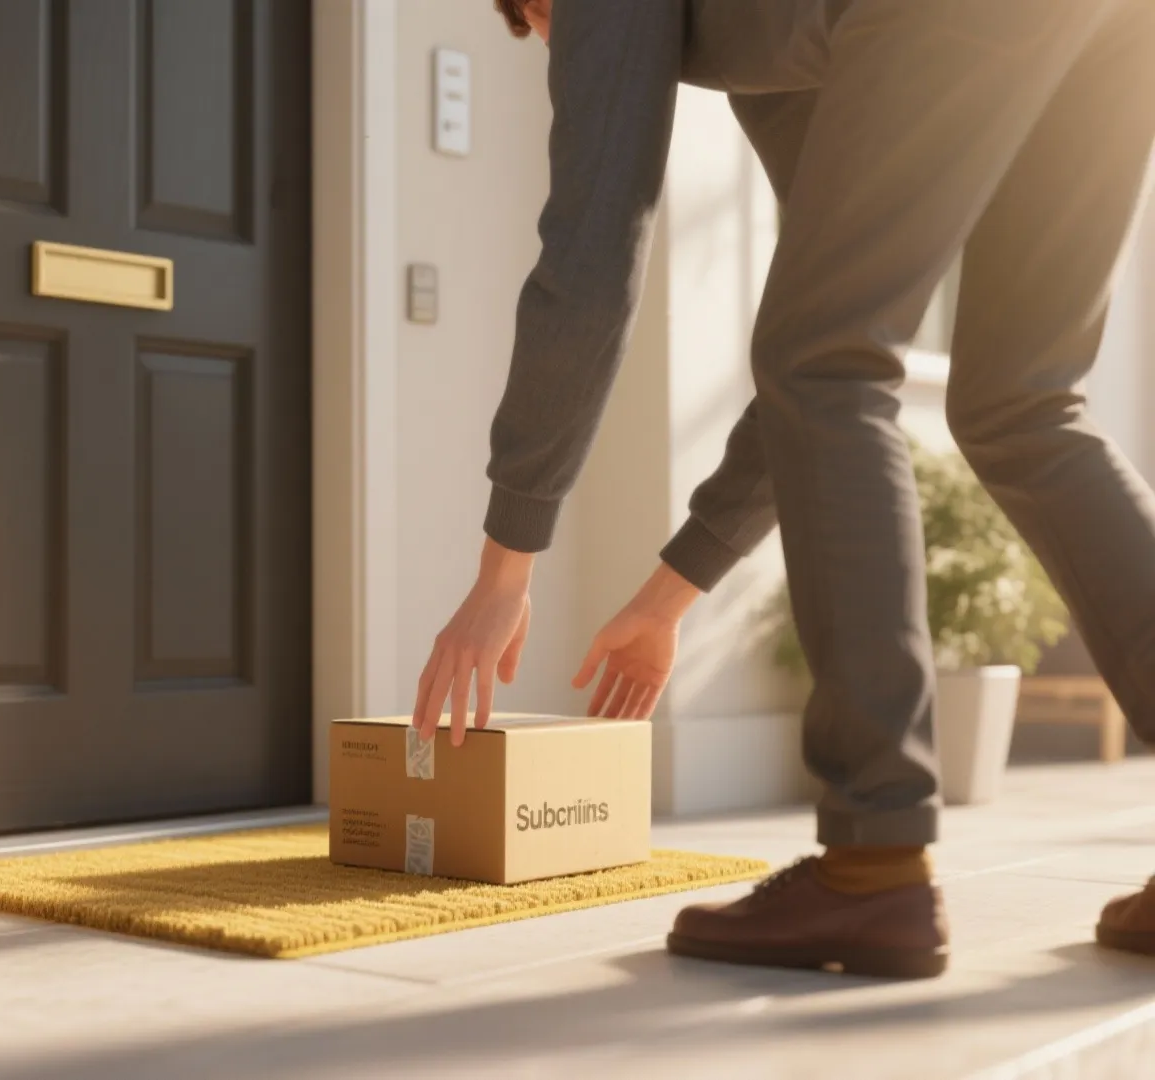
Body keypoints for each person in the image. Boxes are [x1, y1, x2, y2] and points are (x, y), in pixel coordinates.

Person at [415, 0, 1155, 976]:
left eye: (542, 28)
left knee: (834, 364)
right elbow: (826, 348)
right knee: (1023, 401)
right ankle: (875, 862)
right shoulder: (782, 49)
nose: (562, 53)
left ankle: (873, 868)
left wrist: (503, 571)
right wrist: (666, 597)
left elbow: (592, 256)